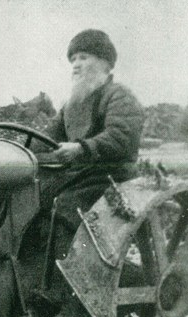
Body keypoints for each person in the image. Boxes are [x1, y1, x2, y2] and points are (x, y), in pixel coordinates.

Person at [36, 29, 145, 226]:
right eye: (73, 59)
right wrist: (21, 149)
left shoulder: (120, 96)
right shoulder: (72, 105)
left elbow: (119, 137)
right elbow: (45, 136)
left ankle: (65, 256)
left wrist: (80, 148)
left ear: (105, 64)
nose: (75, 66)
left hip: (111, 175)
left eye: (83, 58)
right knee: (33, 194)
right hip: (82, 175)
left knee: (66, 205)